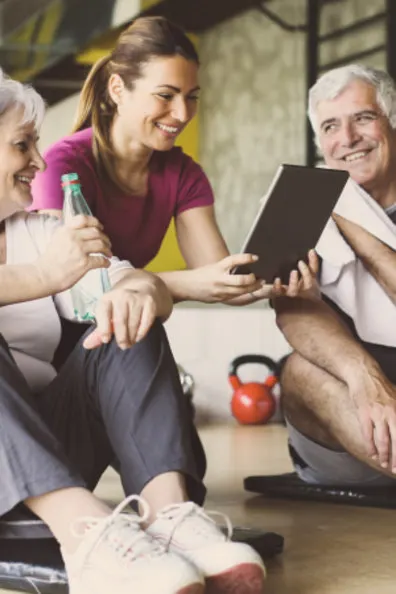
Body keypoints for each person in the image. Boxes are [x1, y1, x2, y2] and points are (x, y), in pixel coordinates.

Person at [0, 70, 266, 594]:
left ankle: (172, 520)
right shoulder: (46, 259)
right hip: (30, 483)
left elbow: (120, 275)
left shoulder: (44, 231)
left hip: (44, 456)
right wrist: (42, 278)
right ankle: (85, 536)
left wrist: (134, 290)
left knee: (125, 314)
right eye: (21, 145)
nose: (39, 160)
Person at [31, 15, 317, 304]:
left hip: (124, 323)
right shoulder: (62, 166)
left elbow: (221, 281)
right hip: (51, 331)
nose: (182, 114)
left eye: (192, 97)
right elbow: (69, 285)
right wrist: (182, 284)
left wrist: (273, 280)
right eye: (165, 95)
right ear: (117, 89)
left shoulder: (183, 174)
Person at [274, 64, 396, 487]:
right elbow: (290, 313)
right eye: (330, 126)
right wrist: (368, 381)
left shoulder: (338, 206)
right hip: (355, 422)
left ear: (391, 123)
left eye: (363, 118)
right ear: (320, 142)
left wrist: (354, 226)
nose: (347, 139)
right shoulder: (301, 205)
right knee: (299, 372)